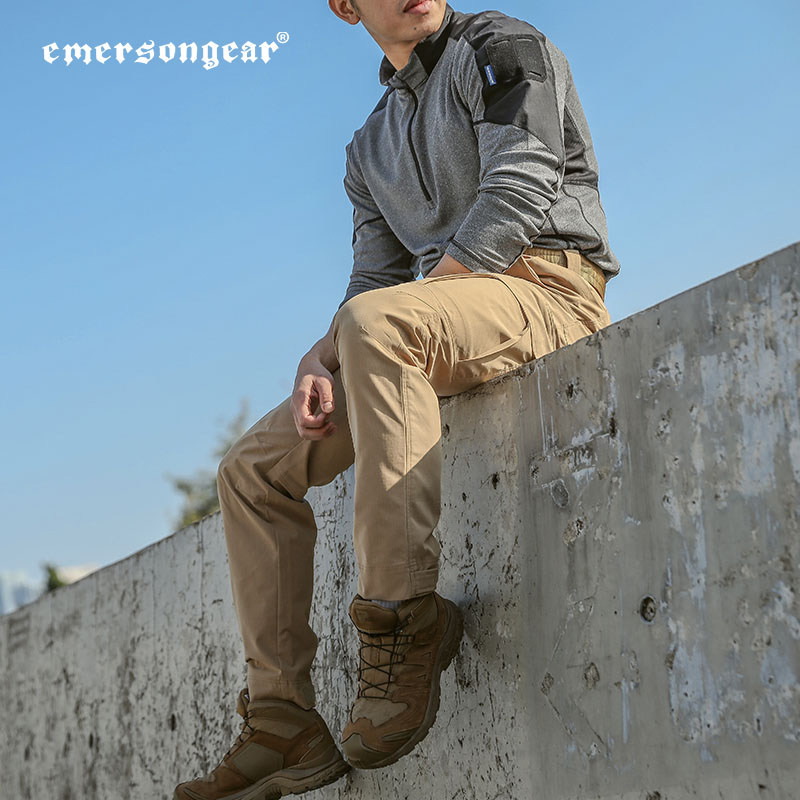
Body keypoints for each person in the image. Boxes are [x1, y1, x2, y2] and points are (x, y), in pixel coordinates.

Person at [174, 0, 620, 797]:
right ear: (346, 7)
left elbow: (521, 186)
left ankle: (402, 620)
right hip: (438, 322)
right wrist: (321, 354)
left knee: (376, 326)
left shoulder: (501, 46)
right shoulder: (367, 147)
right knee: (251, 469)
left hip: (550, 292)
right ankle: (282, 720)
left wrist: (373, 323)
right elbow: (374, 280)